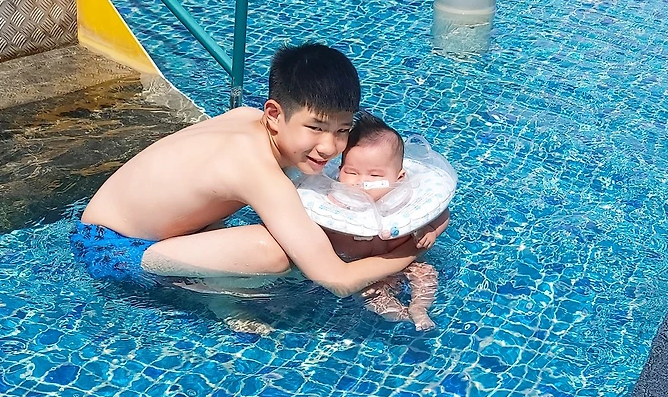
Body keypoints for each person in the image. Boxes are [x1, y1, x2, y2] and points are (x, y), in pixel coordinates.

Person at [72, 44, 447, 294]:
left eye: (342, 130)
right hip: (110, 250)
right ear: (274, 114)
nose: (329, 147)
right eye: (315, 128)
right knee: (274, 252)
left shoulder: (244, 117)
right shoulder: (257, 171)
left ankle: (205, 277)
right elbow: (336, 280)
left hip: (119, 223)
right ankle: (190, 285)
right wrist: (407, 250)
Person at [327, 114, 440, 330]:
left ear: (399, 178)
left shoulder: (409, 202)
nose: (361, 181)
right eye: (351, 172)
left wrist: (431, 230)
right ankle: (401, 315)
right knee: (367, 292)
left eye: (374, 175)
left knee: (426, 273)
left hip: (406, 263)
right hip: (362, 270)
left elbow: (442, 215)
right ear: (339, 170)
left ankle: (419, 308)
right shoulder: (333, 205)